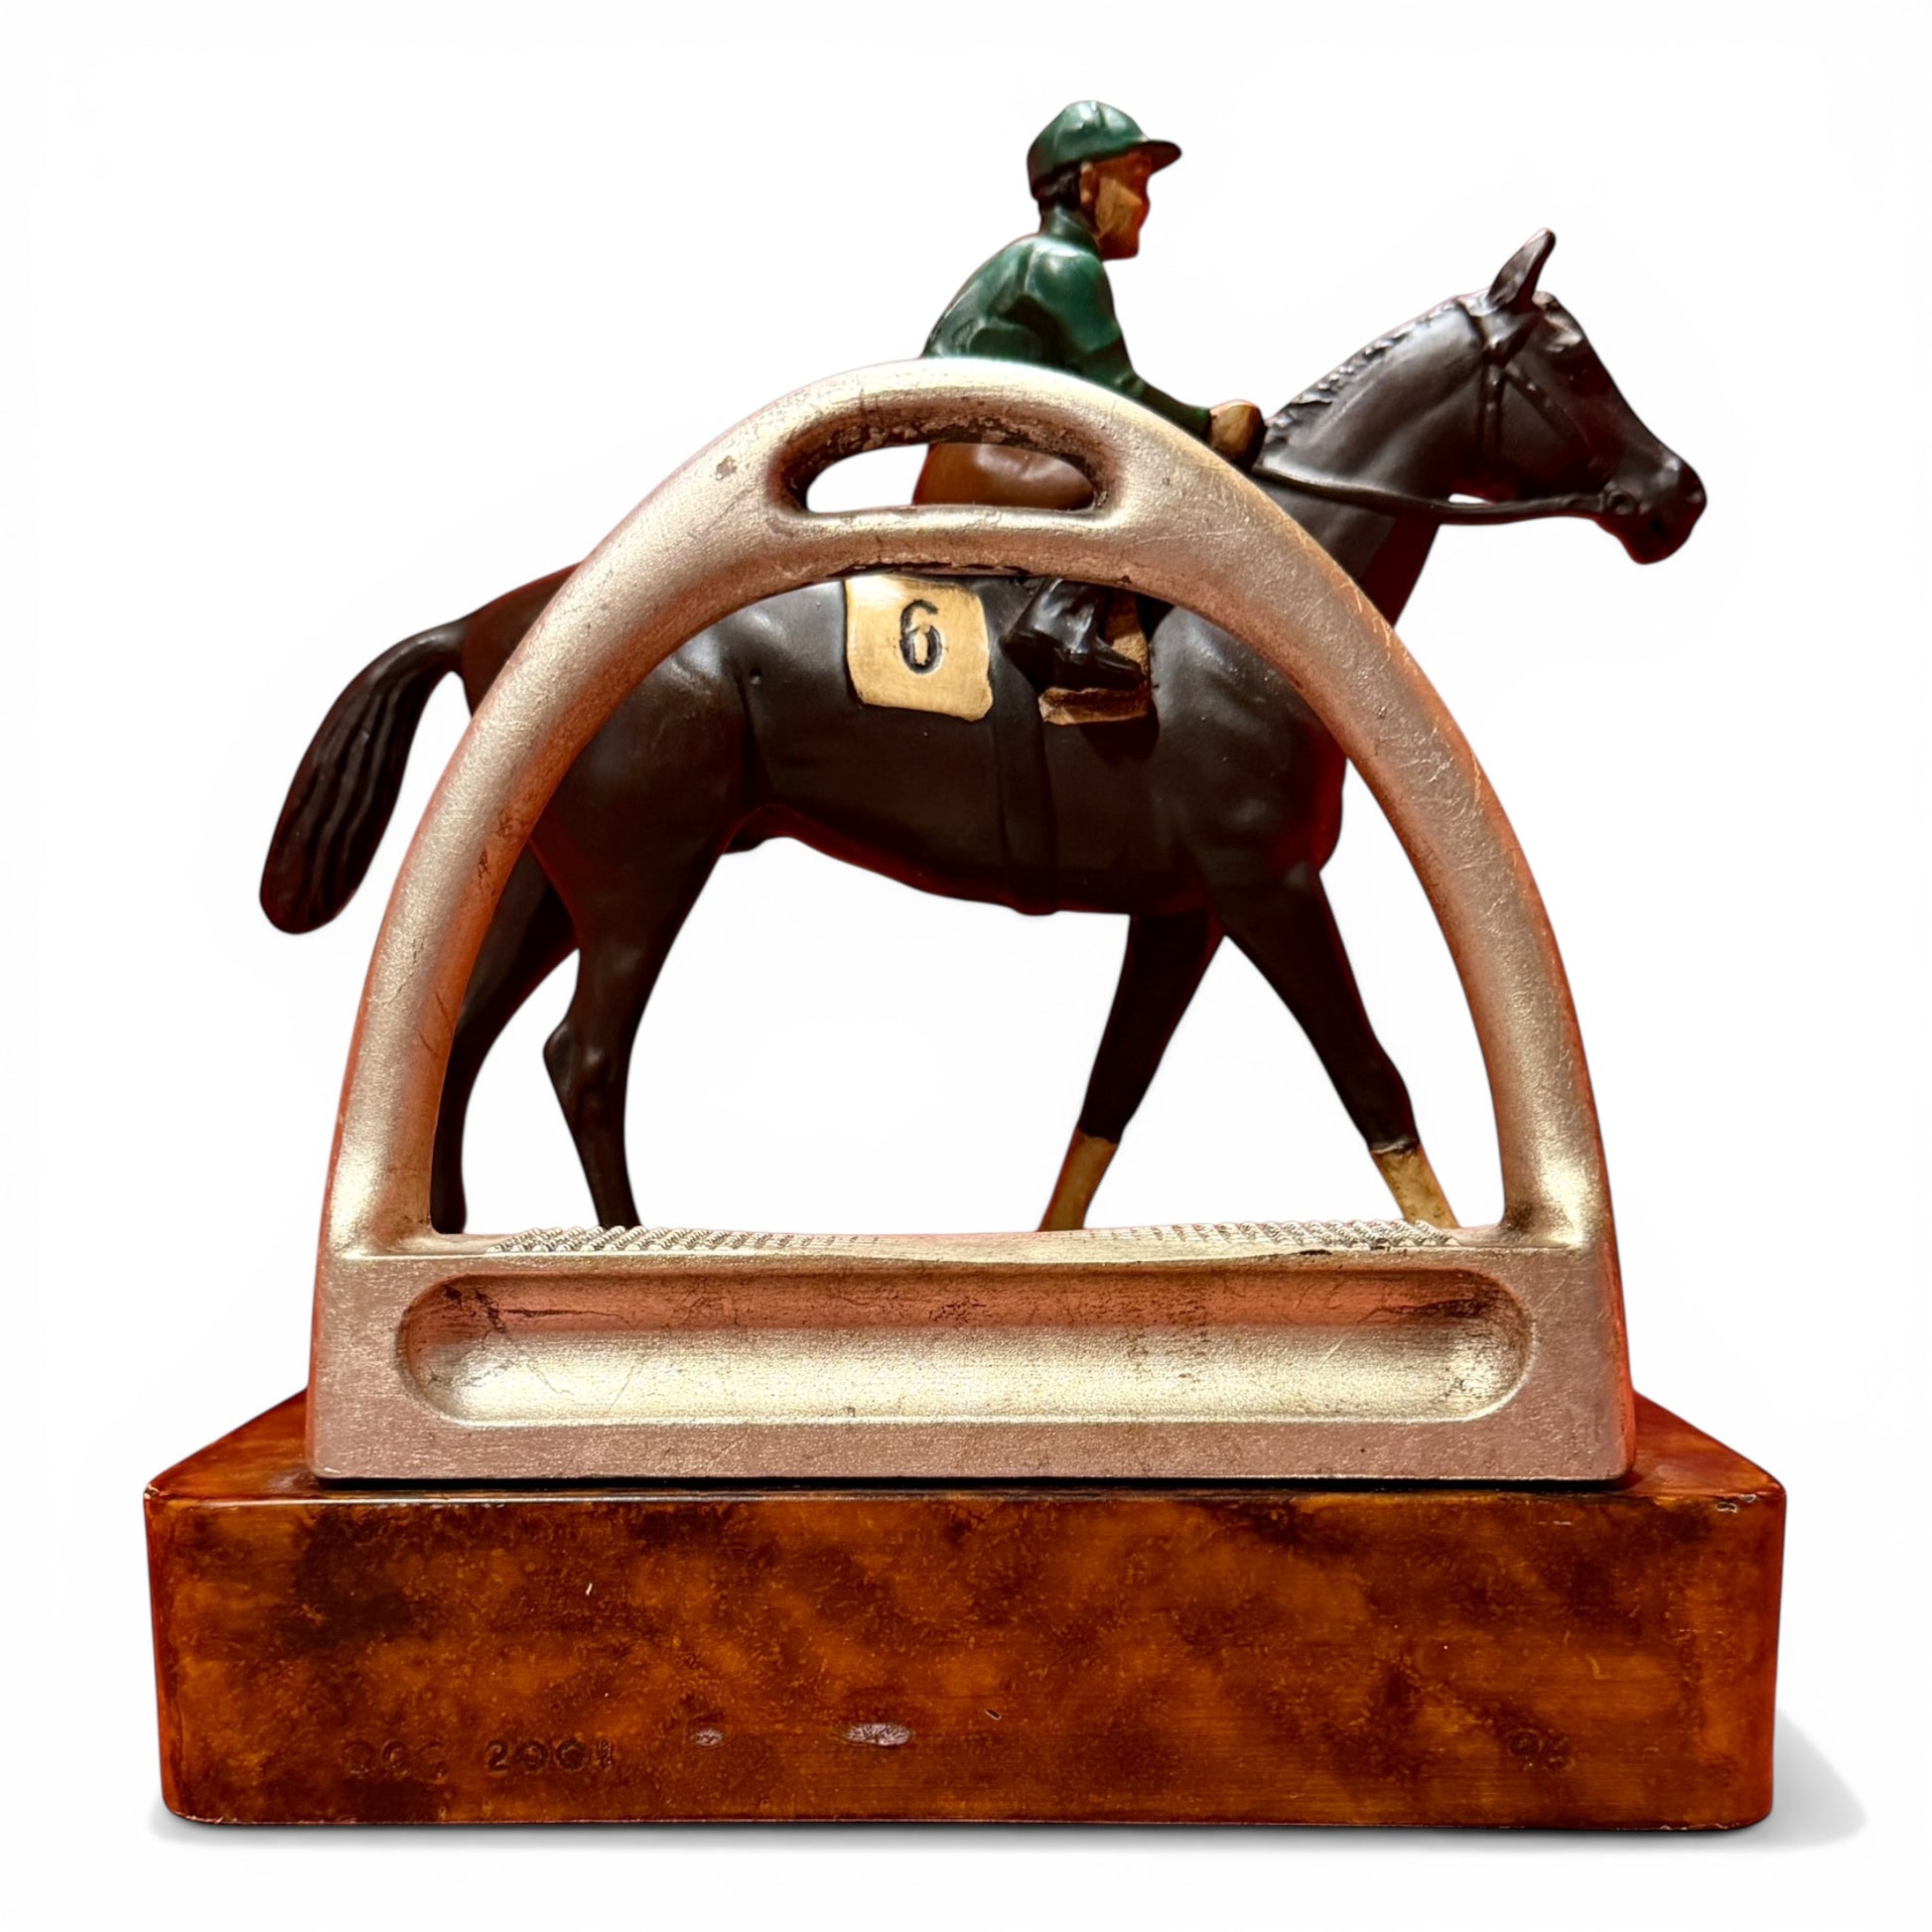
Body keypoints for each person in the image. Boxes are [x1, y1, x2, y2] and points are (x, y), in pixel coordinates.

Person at [916, 100, 1264, 691]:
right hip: (981, 462)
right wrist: (1207, 429)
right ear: (1086, 183)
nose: (1143, 204)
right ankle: (1056, 620)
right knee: (1152, 480)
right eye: (1133, 183)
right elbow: (1118, 394)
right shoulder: (1062, 264)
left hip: (992, 457)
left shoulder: (1036, 261)